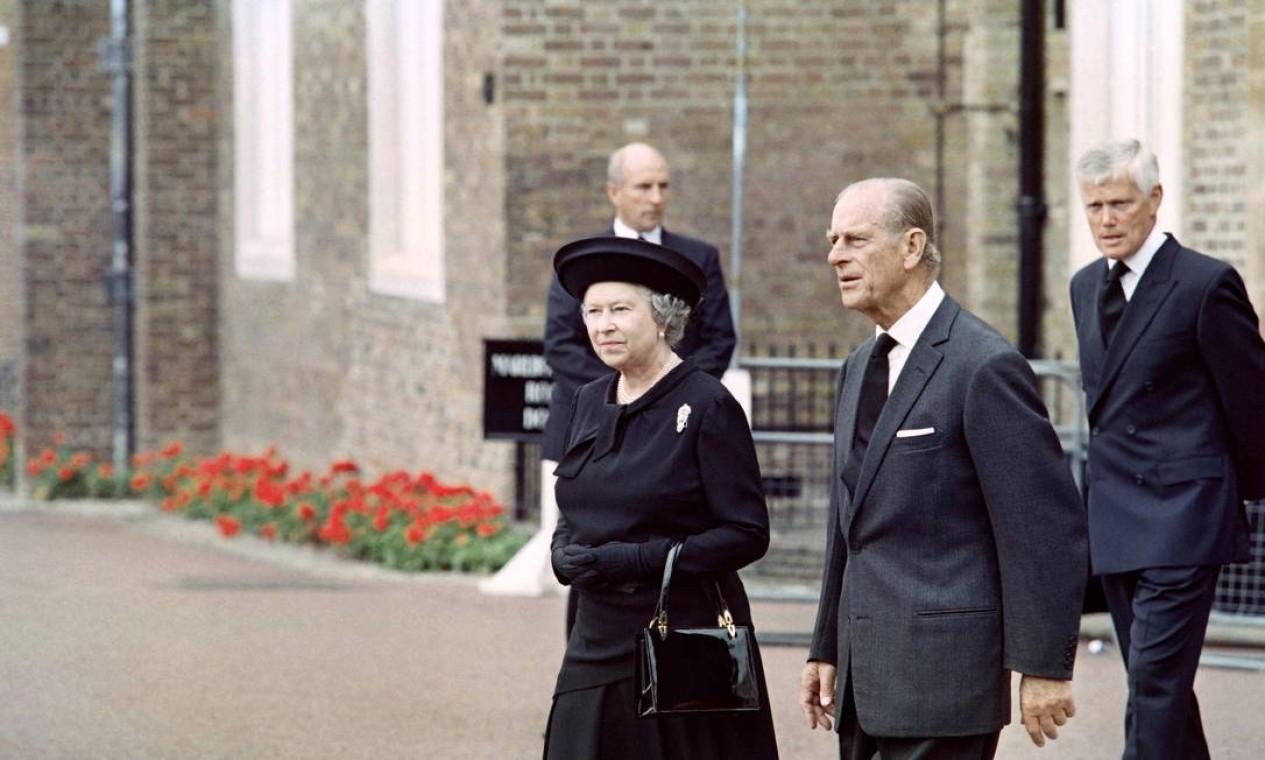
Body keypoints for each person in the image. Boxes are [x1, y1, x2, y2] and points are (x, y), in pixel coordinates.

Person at [799, 178, 1088, 759]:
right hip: (864, 681)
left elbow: (1041, 528)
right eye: (833, 240)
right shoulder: (858, 367)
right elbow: (847, 527)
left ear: (911, 248)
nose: (835, 255)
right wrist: (825, 645)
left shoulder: (984, 366)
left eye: (855, 239)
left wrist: (1042, 666)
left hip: (946, 681)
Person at [543, 236, 777, 759]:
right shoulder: (588, 400)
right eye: (593, 311)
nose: (603, 325)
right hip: (595, 637)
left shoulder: (708, 404)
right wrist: (562, 548)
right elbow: (577, 497)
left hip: (683, 643)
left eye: (621, 310)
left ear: (663, 318)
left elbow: (746, 533)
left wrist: (639, 559)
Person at [1069, 139, 1265, 759]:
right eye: (1094, 205)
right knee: (1162, 689)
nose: (1106, 219)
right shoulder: (1082, 287)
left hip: (1184, 517)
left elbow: (1252, 402)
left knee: (1153, 687)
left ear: (1154, 201)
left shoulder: (1205, 285)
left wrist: (1239, 498)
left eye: (1120, 203)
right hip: (1118, 519)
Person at [542, 142, 736, 620]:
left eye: (663, 186)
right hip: (595, 428)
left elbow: (719, 339)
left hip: (675, 426)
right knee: (591, 537)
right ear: (614, 191)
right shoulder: (582, 262)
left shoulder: (697, 257)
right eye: (643, 186)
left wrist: (669, 391)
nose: (655, 197)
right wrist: (620, 392)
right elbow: (560, 345)